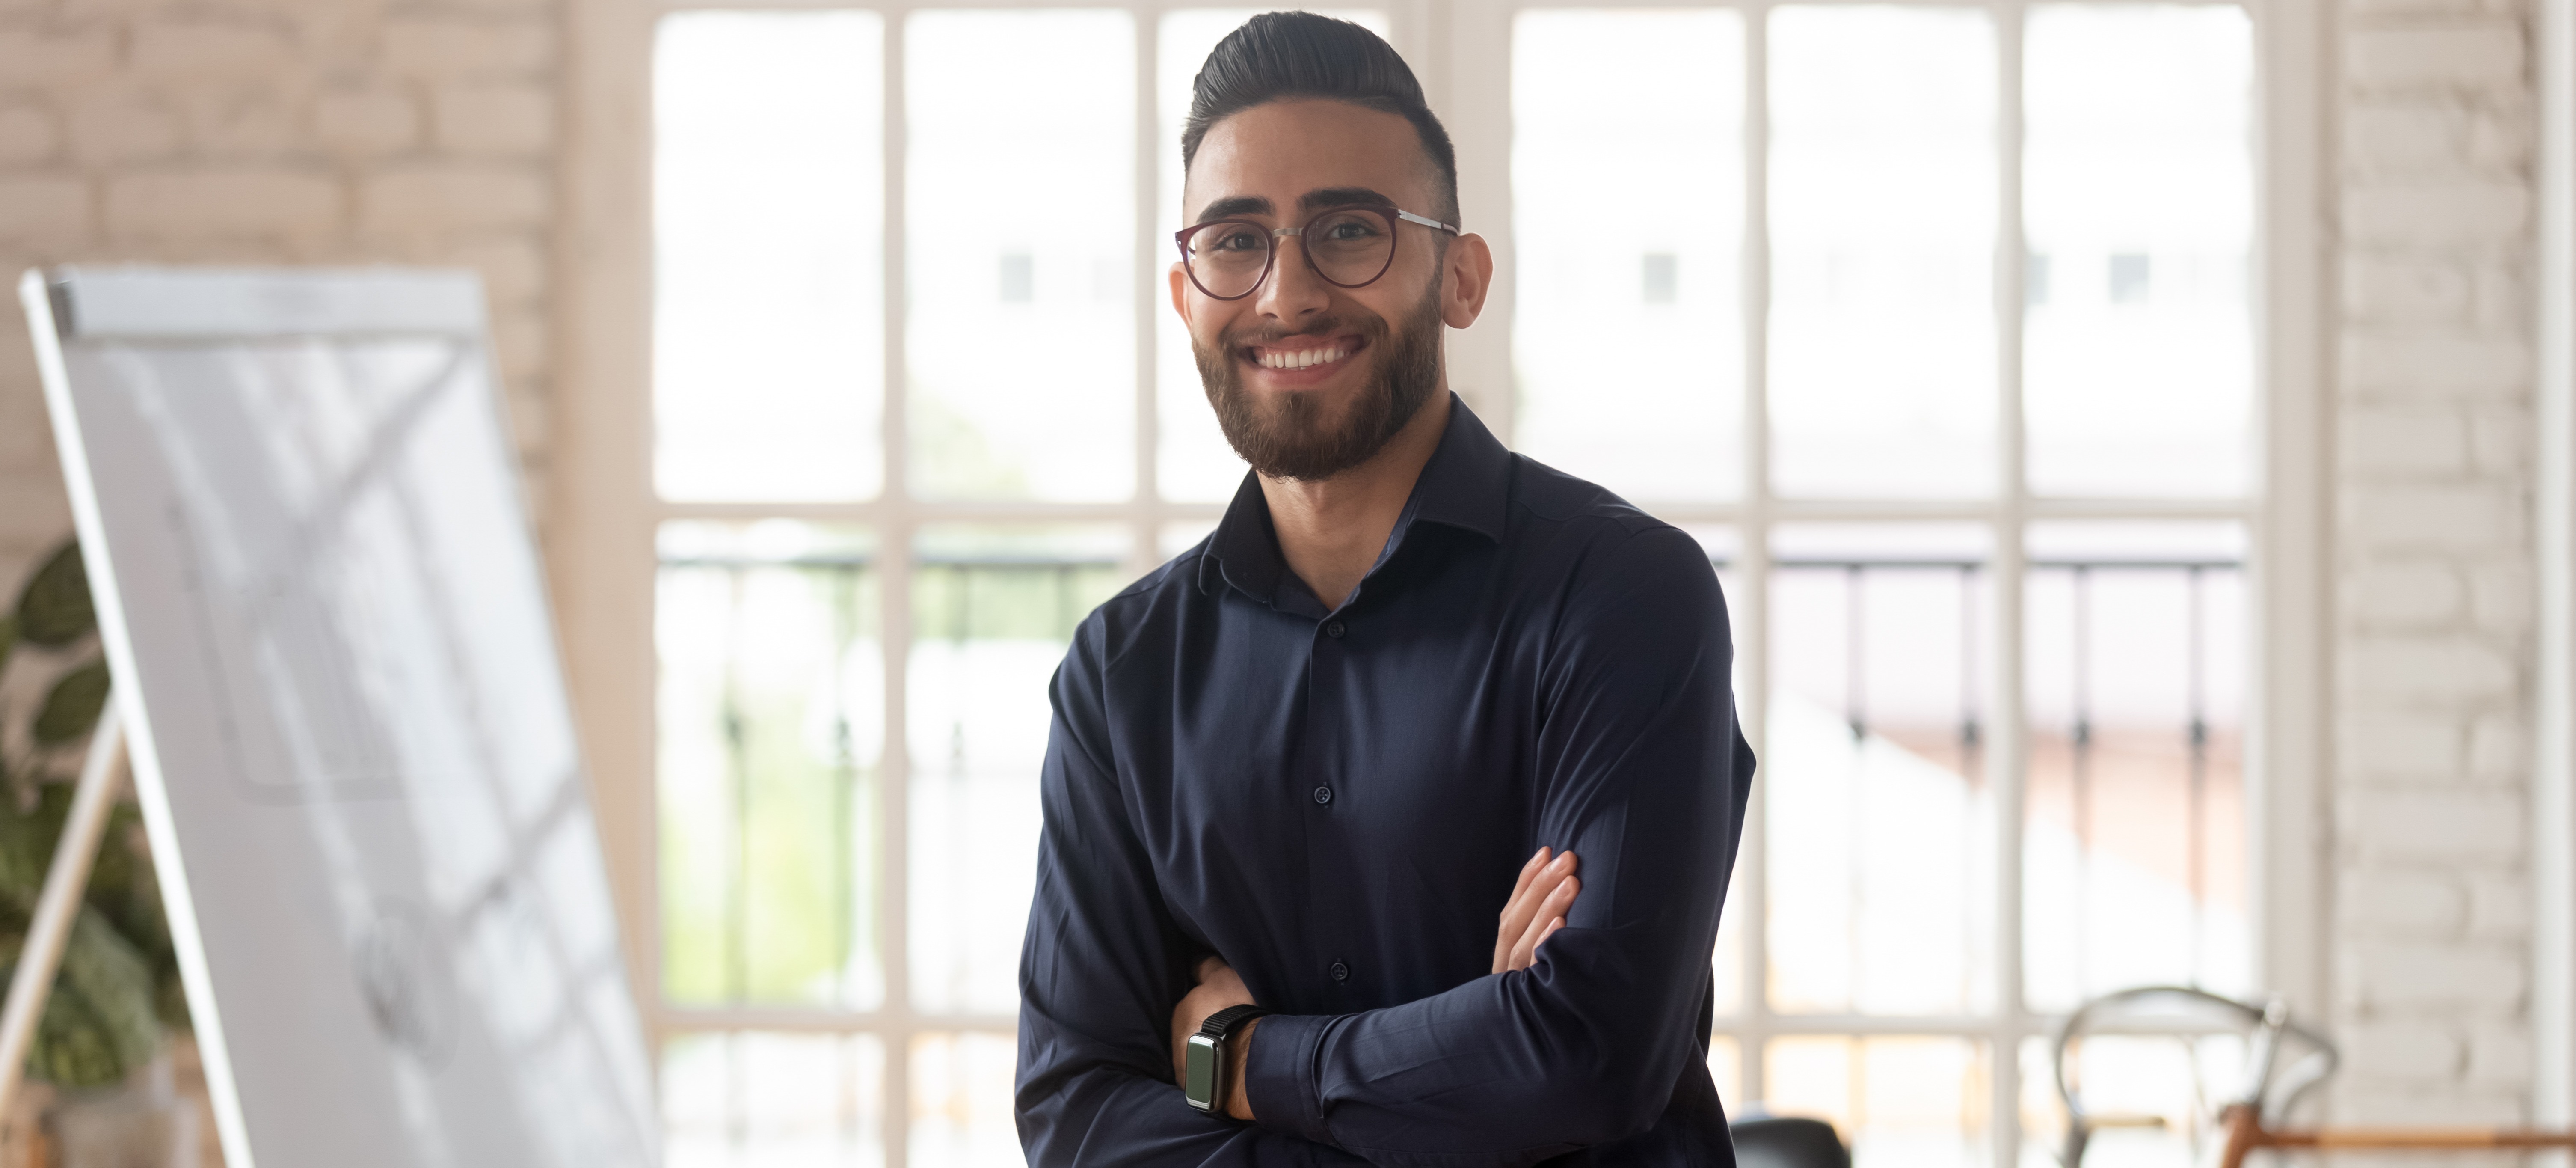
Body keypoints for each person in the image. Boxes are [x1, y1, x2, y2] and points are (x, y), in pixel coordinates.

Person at [1014, 12, 1755, 1165]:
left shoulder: (1624, 599)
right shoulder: (1123, 676)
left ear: (1460, 278)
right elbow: (1077, 1117)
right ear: (1184, 293)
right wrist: (1473, 1064)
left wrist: (1243, 1060)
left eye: (1348, 230)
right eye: (1235, 240)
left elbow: (1587, 1055)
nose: (1285, 294)